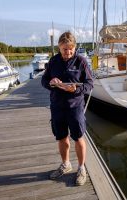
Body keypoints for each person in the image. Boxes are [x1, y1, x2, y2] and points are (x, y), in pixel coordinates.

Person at [41, 31, 93, 186]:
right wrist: (51, 81)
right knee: (62, 137)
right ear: (59, 47)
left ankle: (81, 168)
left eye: (71, 49)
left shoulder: (81, 61)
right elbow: (43, 80)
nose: (68, 52)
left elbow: (90, 84)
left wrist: (75, 90)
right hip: (57, 107)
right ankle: (66, 164)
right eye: (65, 49)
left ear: (74, 47)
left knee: (78, 138)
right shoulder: (53, 61)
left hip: (75, 107)